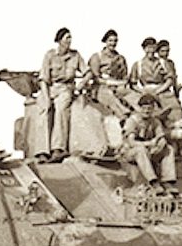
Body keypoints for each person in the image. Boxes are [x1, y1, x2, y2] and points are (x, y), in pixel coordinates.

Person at [36, 27, 87, 163]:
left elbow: (87, 72)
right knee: (44, 110)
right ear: (59, 40)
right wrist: (46, 98)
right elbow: (43, 79)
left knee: (61, 110)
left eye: (70, 37)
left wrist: (80, 85)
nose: (70, 40)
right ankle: (42, 151)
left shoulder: (75, 56)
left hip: (65, 88)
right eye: (67, 38)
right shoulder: (50, 55)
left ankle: (58, 148)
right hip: (49, 88)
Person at [120, 94, 179, 196]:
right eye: (144, 108)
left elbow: (160, 136)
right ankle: (153, 182)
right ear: (139, 108)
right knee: (140, 149)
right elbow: (131, 142)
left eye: (149, 109)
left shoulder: (155, 121)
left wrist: (160, 144)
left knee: (168, 149)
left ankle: (167, 181)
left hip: (149, 151)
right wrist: (149, 144)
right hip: (130, 152)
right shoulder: (132, 121)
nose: (147, 111)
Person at [129, 38, 182, 126]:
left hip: (162, 89)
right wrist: (142, 91)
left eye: (152, 48)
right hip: (145, 90)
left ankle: (178, 125)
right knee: (140, 106)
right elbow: (133, 84)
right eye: (148, 48)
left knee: (174, 107)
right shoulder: (138, 64)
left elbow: (170, 80)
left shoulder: (162, 63)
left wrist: (159, 90)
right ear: (144, 49)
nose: (150, 50)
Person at [86, 29, 131, 118]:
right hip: (101, 87)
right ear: (105, 41)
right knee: (109, 96)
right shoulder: (97, 57)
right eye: (110, 40)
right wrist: (112, 83)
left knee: (130, 94)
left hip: (117, 86)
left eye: (115, 41)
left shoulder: (120, 58)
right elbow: (96, 78)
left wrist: (122, 83)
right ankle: (123, 115)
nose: (113, 43)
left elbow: (124, 77)